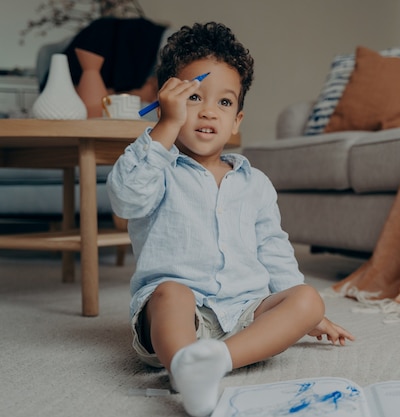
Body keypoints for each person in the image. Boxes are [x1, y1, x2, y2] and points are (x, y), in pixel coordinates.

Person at [106, 22, 354, 417]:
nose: (208, 111)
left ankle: (216, 360)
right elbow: (125, 199)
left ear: (237, 120)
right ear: (168, 99)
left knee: (306, 299)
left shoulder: (255, 183)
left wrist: (307, 315)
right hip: (178, 314)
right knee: (170, 292)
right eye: (193, 97)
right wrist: (165, 126)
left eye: (224, 103)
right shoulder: (157, 167)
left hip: (245, 313)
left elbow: (273, 250)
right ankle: (184, 364)